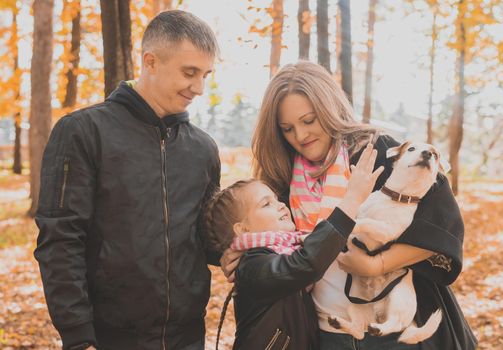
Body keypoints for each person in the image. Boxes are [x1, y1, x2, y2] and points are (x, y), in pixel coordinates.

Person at [239, 61, 477, 350]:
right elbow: (265, 238)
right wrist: (240, 252)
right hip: (326, 332)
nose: (300, 136)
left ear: (329, 108)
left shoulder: (376, 151)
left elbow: (440, 227)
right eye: (287, 129)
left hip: (395, 331)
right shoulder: (282, 176)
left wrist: (378, 265)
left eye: (309, 120)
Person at [34, 11, 221, 350]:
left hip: (188, 338)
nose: (199, 87)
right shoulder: (83, 133)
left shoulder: (203, 149)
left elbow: (205, 239)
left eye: (206, 74)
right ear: (150, 61)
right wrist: (78, 336)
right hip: (108, 338)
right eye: (189, 72)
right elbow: (61, 241)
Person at [204, 145, 383, 350]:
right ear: (243, 229)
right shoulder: (252, 266)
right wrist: (351, 201)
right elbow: (306, 262)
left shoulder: (281, 251)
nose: (281, 205)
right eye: (266, 204)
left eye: (276, 199)